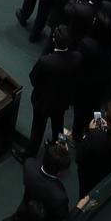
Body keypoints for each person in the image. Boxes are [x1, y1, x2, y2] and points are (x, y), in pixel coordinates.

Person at [24, 26, 81, 156]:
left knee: (37, 129)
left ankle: (30, 154)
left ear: (54, 39)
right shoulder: (77, 57)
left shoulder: (45, 61)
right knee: (58, 124)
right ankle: (57, 145)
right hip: (62, 100)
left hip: (44, 101)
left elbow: (33, 78)